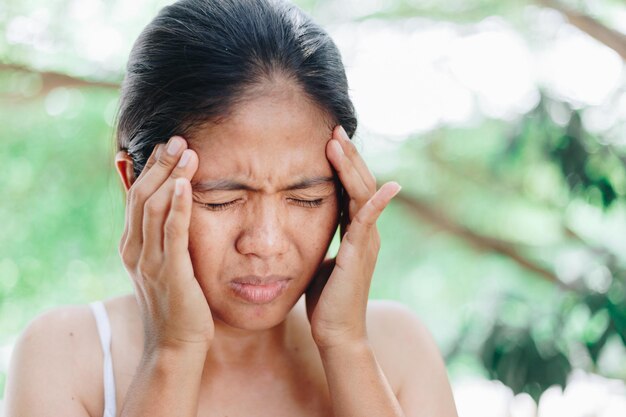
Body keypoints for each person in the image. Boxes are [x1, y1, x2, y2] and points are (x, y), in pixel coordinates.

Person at [4, 0, 458, 416]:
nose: (265, 243)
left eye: (307, 199)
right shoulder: (64, 356)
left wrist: (346, 347)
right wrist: (173, 352)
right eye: (221, 200)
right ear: (135, 185)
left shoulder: (397, 349)